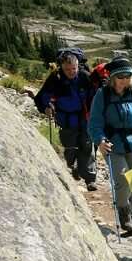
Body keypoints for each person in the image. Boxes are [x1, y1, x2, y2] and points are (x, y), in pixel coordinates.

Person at [88, 57, 132, 235]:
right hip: (112, 144)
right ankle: (124, 213)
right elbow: (94, 122)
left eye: (128, 76)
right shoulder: (103, 95)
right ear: (113, 78)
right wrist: (99, 140)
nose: (125, 80)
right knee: (123, 179)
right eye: (121, 76)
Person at [35, 51, 97, 190]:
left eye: (74, 69)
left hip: (84, 117)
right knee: (70, 148)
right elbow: (41, 97)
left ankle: (90, 179)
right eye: (67, 69)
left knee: (87, 146)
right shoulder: (55, 78)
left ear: (78, 66)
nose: (71, 72)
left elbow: (94, 96)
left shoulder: (84, 77)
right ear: (62, 67)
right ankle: (72, 167)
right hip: (65, 119)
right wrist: (45, 108)